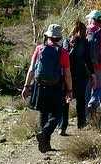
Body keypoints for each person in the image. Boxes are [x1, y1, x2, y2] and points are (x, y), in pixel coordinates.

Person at [23, 23, 72, 152]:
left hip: (40, 86)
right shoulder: (63, 52)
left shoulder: (39, 49)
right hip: (56, 87)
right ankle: (45, 135)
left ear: (48, 36)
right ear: (59, 38)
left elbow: (32, 69)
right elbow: (67, 74)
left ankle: (45, 142)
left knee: (43, 113)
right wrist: (70, 90)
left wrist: (26, 86)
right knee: (57, 113)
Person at [63, 20, 93, 132]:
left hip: (67, 74)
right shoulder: (84, 42)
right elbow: (88, 60)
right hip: (80, 74)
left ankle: (63, 126)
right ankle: (81, 124)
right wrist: (93, 74)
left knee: (66, 100)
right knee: (80, 101)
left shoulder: (66, 41)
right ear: (83, 31)